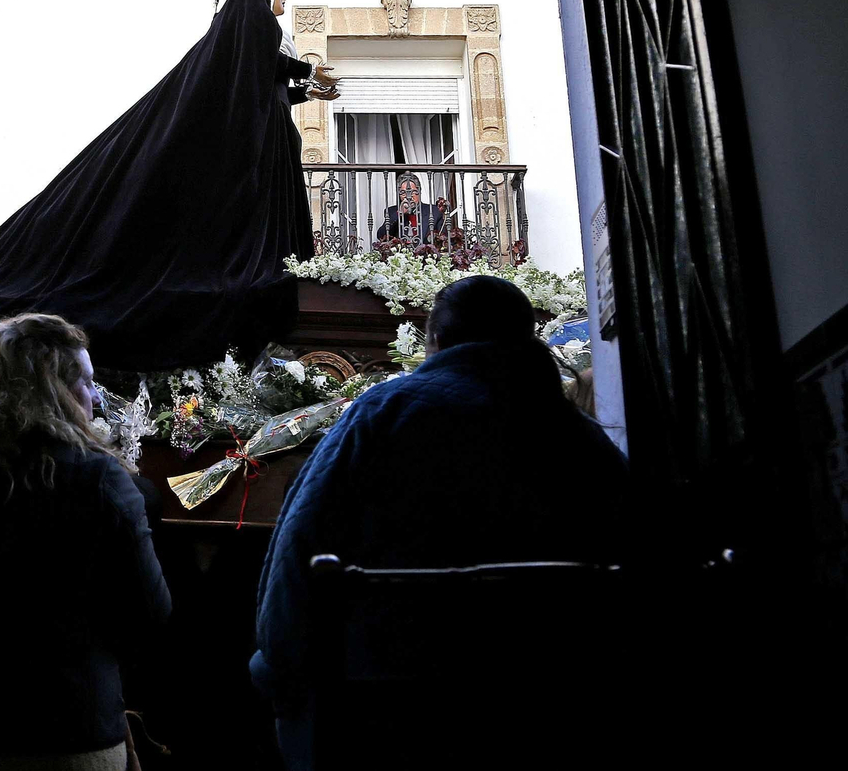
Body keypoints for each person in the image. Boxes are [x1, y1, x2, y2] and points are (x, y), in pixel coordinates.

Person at [250, 276, 628, 767]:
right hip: (548, 704)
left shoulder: (380, 414)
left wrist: (278, 674)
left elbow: (299, 546)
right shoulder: (581, 438)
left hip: (388, 704)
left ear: (435, 341)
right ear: (529, 338)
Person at [0, 0, 337, 370]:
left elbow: (269, 98)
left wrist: (305, 92)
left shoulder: (255, 58)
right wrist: (307, 70)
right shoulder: (247, 37)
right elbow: (257, 58)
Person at [0, 314, 171, 771]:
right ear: (56, 389)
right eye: (88, 383)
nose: (95, 397)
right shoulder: (98, 478)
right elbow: (150, 612)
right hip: (69, 727)